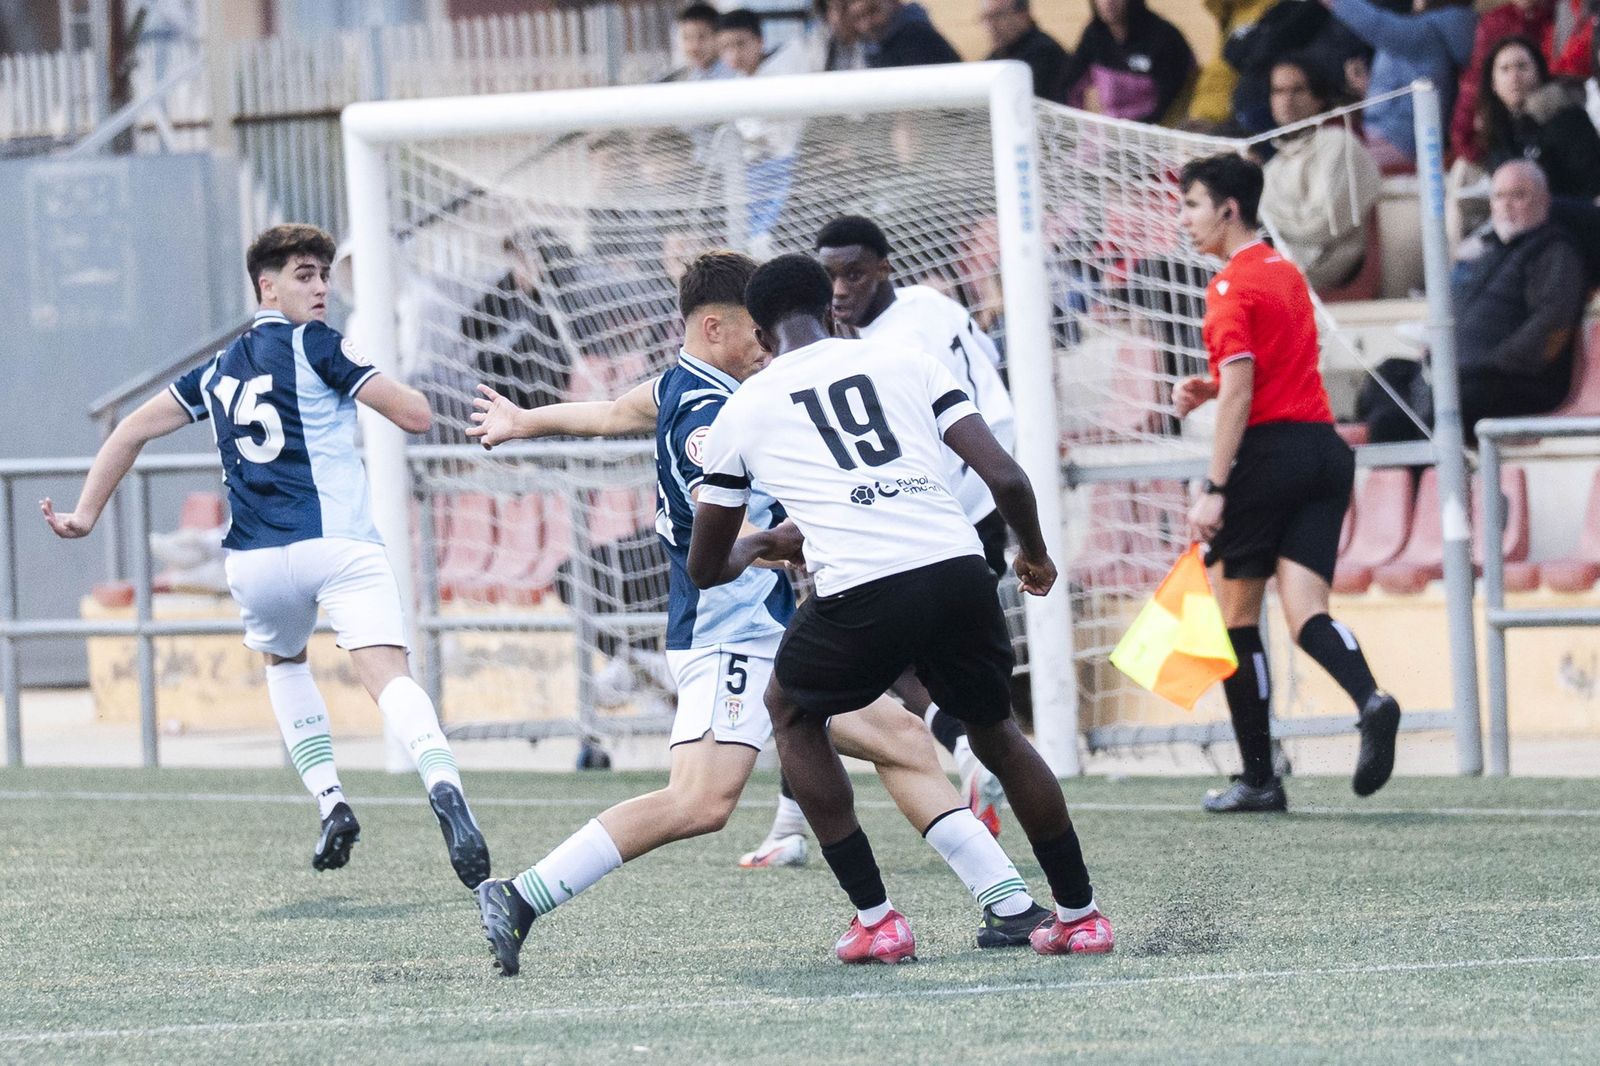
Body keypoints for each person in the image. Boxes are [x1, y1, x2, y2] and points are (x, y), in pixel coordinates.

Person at [470, 252, 1054, 977]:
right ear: (715, 327)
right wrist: (820, 532)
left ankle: (1006, 904)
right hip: (728, 628)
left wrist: (526, 420)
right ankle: (520, 895)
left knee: (903, 737)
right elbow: (742, 527)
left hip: (770, 624)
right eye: (758, 332)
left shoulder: (688, 381)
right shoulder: (713, 416)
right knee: (701, 801)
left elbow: (616, 411)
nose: (771, 346)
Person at [687, 253, 1114, 962]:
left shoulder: (745, 408)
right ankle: (1080, 915)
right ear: (830, 309)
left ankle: (878, 919)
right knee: (999, 734)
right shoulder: (907, 362)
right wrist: (1033, 553)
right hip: (956, 569)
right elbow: (1006, 476)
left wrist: (771, 541)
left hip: (861, 588)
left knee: (792, 712)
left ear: (758, 334)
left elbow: (707, 566)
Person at [41, 224, 491, 887]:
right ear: (267, 285)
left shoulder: (219, 368)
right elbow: (417, 416)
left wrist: (84, 513)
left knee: (283, 663)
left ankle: (331, 802)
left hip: (254, 564)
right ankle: (445, 789)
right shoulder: (319, 345)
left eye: (324, 275)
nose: (320, 288)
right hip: (336, 547)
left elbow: (130, 427)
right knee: (387, 676)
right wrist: (386, 374)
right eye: (305, 275)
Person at [738, 215, 1019, 866]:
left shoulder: (884, 348)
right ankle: (967, 754)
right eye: (828, 275)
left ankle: (810, 831)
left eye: (853, 273)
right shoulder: (933, 309)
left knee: (818, 676)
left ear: (885, 267)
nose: (839, 288)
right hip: (970, 508)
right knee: (883, 667)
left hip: (921, 518)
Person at [1172, 154, 1402, 813]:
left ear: (1228, 209)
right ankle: (1372, 699)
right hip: (1324, 451)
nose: (1184, 219)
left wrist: (1215, 485)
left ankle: (1259, 779)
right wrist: (1212, 386)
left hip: (1268, 457)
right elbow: (1279, 367)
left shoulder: (1228, 288)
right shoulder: (1285, 272)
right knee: (1308, 613)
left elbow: (1244, 392)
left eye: (1192, 205)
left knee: (1233, 621)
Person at [1364, 160, 1587, 443]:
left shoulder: (1555, 252)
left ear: (1543, 201)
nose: (1506, 205)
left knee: (1437, 409)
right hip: (1459, 372)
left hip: (1512, 381)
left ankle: (1433, 478)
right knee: (1387, 377)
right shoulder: (1486, 249)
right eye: (1499, 196)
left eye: (1518, 196)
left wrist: (1489, 365)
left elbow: (1551, 324)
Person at [1259, 55, 1383, 293]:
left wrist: (1266, 216)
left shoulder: (1337, 143)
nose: (1287, 101)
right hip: (1281, 261)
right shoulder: (1273, 165)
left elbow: (1323, 224)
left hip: (1327, 265)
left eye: (1297, 90)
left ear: (1318, 98)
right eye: (1278, 91)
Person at [1322, 0, 1476, 168]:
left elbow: (1376, 24)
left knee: (1330, 162)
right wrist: (1370, 89)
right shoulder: (1435, 26)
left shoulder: (1428, 29)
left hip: (1397, 141)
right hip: (1391, 136)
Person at [1474, 35, 1600, 200]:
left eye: (1522, 66)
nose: (1514, 77)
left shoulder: (1567, 119)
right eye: (1505, 69)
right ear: (1493, 84)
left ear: (1539, 73)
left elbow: (1590, 185)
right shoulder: (1497, 129)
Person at [1056, 0, 1197, 126]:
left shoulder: (1165, 38)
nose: (1108, 2)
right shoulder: (1094, 34)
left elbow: (1175, 102)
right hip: (1111, 132)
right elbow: (1068, 86)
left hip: (1156, 134)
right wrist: (1074, 129)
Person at [1187, 0, 1277, 131]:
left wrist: (1210, 119)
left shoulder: (1271, 10)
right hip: (1212, 118)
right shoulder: (1234, 10)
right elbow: (1220, 74)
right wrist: (1201, 115)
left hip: (1248, 127)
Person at [978, 0, 1072, 102]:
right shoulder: (993, 59)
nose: (991, 26)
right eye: (986, 18)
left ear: (1023, 15)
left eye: (998, 16)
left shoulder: (1046, 53)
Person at [853, 0, 962, 68]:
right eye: (857, 18)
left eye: (873, 11)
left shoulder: (916, 36)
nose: (867, 24)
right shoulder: (871, 47)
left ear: (893, 3)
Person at [667, 3, 732, 81]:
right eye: (686, 37)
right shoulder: (688, 77)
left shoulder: (735, 76)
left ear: (719, 36)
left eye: (702, 37)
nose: (694, 46)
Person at [716, 9, 767, 77]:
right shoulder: (738, 76)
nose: (735, 53)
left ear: (760, 41)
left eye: (740, 44)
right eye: (726, 46)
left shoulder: (779, 73)